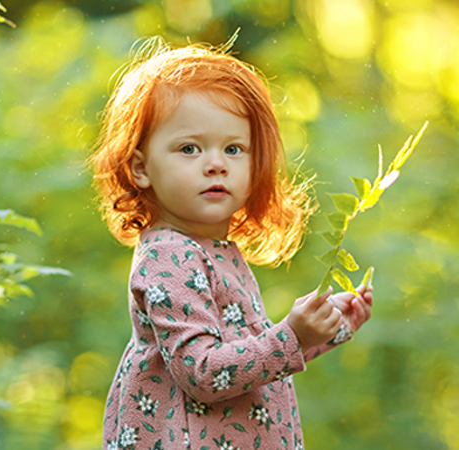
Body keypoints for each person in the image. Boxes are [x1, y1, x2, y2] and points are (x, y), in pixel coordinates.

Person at [89, 36, 373, 450]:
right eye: (189, 148)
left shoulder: (214, 251)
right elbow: (204, 373)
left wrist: (318, 334)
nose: (216, 163)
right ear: (140, 167)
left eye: (234, 148)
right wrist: (291, 336)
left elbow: (247, 364)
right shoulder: (171, 255)